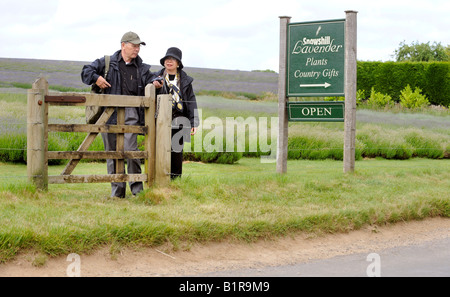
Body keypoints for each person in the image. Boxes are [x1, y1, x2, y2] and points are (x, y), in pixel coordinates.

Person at [81, 31, 156, 198]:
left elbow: (153, 78)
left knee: (132, 153)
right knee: (112, 154)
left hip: (131, 116)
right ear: (123, 45)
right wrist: (96, 78)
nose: (137, 49)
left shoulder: (141, 68)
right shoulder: (107, 62)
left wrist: (155, 82)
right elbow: (85, 71)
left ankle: (137, 192)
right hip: (109, 115)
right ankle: (117, 193)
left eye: (138, 46)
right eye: (134, 46)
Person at [153, 47, 199, 179]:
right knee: (160, 151)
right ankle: (159, 181)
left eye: (173, 59)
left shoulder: (185, 80)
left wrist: (193, 122)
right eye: (167, 59)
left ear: (178, 63)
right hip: (160, 119)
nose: (169, 61)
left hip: (180, 119)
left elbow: (191, 101)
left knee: (177, 153)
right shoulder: (155, 77)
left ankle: (175, 183)